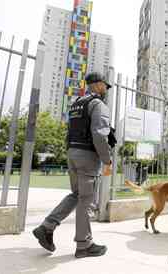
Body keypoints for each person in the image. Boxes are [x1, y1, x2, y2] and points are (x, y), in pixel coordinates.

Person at [33, 72, 113, 258]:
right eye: (105, 86)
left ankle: (47, 226)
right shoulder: (98, 104)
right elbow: (100, 135)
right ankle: (84, 245)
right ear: (99, 84)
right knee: (86, 200)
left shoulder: (76, 103)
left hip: (72, 153)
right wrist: (107, 160)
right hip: (87, 156)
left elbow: (70, 131)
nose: (106, 90)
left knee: (76, 195)